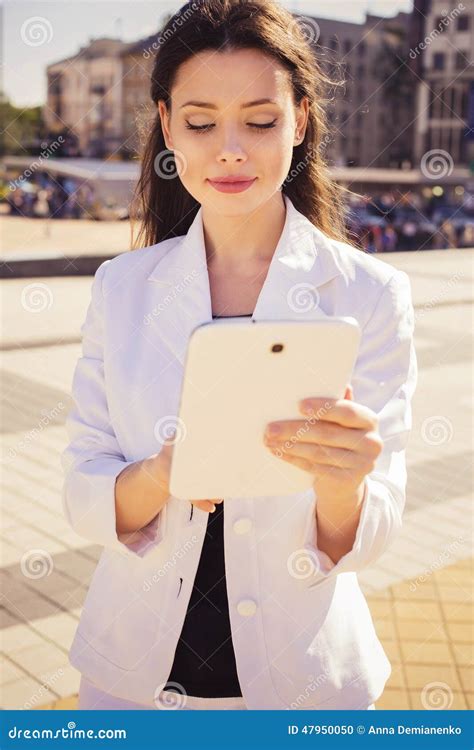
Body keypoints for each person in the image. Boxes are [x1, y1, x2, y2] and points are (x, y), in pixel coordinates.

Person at [61, 0, 417, 711]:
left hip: (307, 690)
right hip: (133, 682)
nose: (231, 149)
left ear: (301, 120)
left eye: (260, 121)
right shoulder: (123, 288)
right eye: (200, 123)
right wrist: (164, 474)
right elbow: (82, 488)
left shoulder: (370, 294)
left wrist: (344, 486)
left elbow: (369, 532)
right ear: (166, 125)